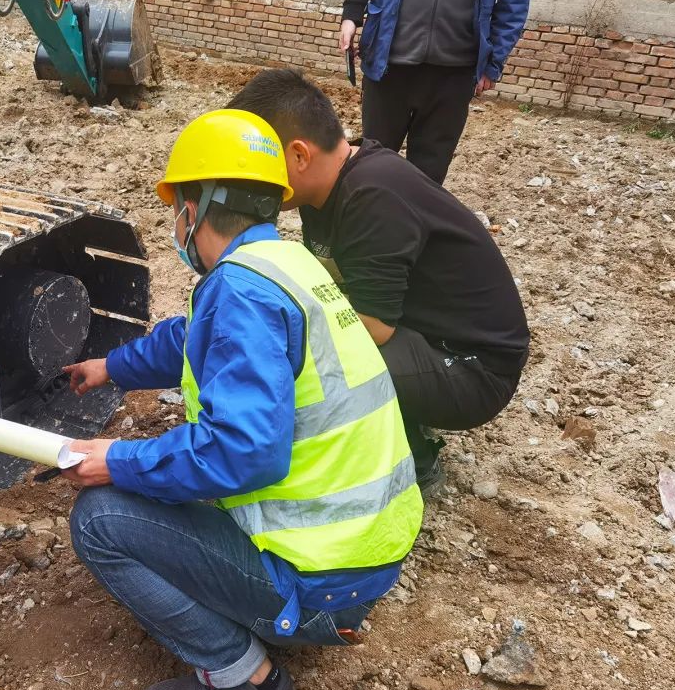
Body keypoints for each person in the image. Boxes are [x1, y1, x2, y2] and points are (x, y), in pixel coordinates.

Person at [60, 109, 422, 690]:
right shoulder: (287, 265)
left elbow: (242, 452)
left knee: (100, 521)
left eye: (178, 204)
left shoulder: (242, 292)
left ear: (197, 208)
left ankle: (249, 684)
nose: (176, 221)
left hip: (321, 583)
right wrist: (110, 366)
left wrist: (117, 459)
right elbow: (194, 340)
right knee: (147, 487)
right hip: (367, 552)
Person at [227, 69, 529, 490]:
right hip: (430, 338)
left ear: (298, 155)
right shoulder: (323, 187)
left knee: (316, 357)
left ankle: (413, 461)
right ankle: (397, 420)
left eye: (259, 163)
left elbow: (373, 326)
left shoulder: (374, 195)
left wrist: (270, 339)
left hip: (476, 369)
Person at [338, 0, 533, 183]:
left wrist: (493, 61)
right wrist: (351, 13)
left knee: (428, 177)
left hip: (456, 71)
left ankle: (414, 219)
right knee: (374, 165)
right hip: (390, 61)